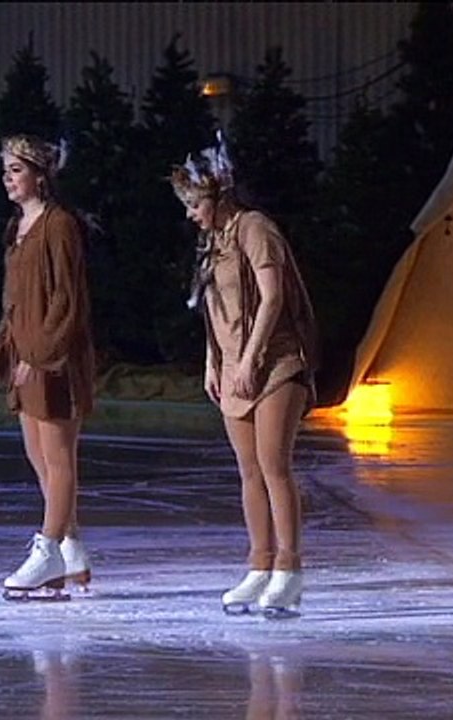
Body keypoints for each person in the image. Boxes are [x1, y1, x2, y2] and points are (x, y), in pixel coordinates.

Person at [170, 132, 319, 618]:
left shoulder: (255, 228)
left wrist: (253, 356)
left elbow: (273, 297)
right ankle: (259, 566)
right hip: (233, 365)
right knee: (248, 470)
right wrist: (215, 362)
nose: (190, 213)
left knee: (275, 465)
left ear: (218, 196)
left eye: (194, 203)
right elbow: (214, 309)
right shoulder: (212, 241)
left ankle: (289, 571)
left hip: (276, 361)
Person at [0, 134, 97, 600]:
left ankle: (47, 551)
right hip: (25, 355)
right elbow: (15, 305)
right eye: (5, 171)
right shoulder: (17, 227)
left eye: (16, 170)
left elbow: (67, 297)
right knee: (39, 458)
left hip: (54, 357)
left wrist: (40, 356)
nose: (8, 179)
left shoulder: (58, 225)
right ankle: (70, 546)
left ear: (40, 176)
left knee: (58, 458)